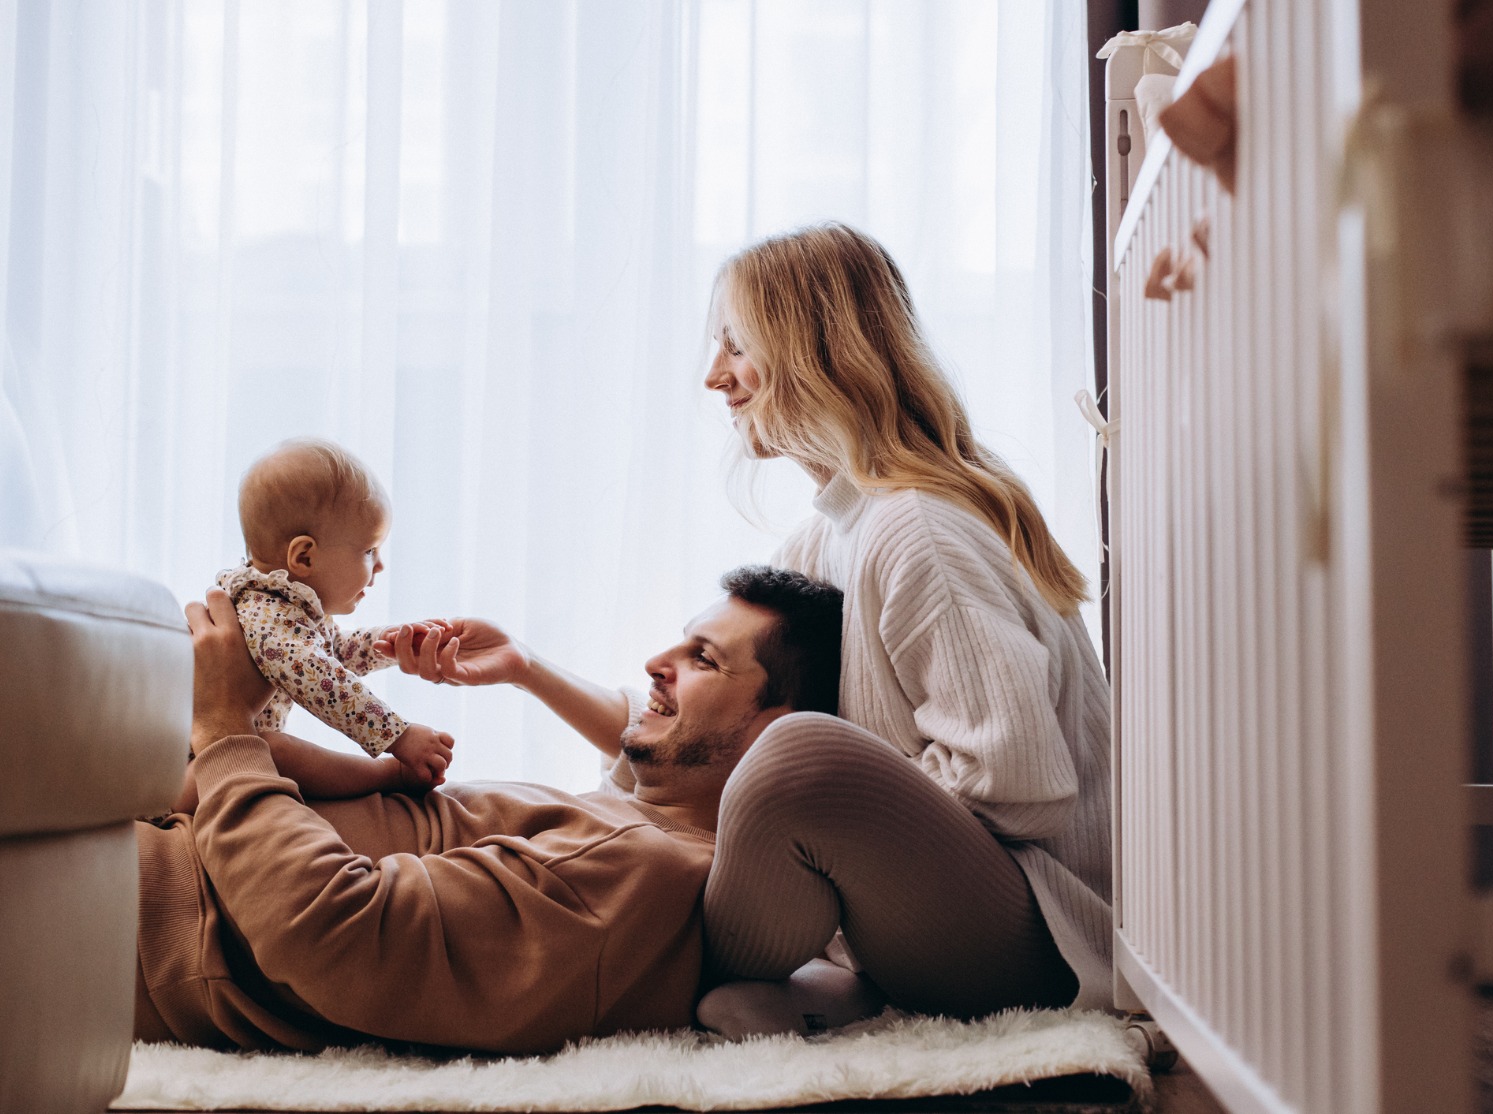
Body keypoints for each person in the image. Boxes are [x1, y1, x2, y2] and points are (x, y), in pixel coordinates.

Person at [135, 565, 844, 1055]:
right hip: (153, 837)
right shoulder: (622, 823)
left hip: (143, 908)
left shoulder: (642, 865)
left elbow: (332, 932)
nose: (657, 661)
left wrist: (227, 730)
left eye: (705, 660)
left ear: (773, 728)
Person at [695, 222, 1113, 1034]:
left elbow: (1018, 780)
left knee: (795, 753)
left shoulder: (914, 528)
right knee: (724, 755)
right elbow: (703, 690)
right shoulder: (837, 529)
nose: (715, 377)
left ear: (812, 351)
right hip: (966, 917)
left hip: (1043, 940)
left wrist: (843, 825)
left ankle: (617, 965)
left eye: (736, 346)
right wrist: (525, 671)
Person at [188, 438, 454, 809]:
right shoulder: (266, 615)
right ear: (305, 557)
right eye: (368, 551)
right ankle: (388, 776)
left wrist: (390, 643)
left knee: (266, 747)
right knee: (269, 749)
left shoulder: (285, 606)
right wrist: (399, 736)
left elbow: (331, 652)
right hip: (184, 773)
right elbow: (319, 678)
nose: (380, 566)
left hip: (198, 762)